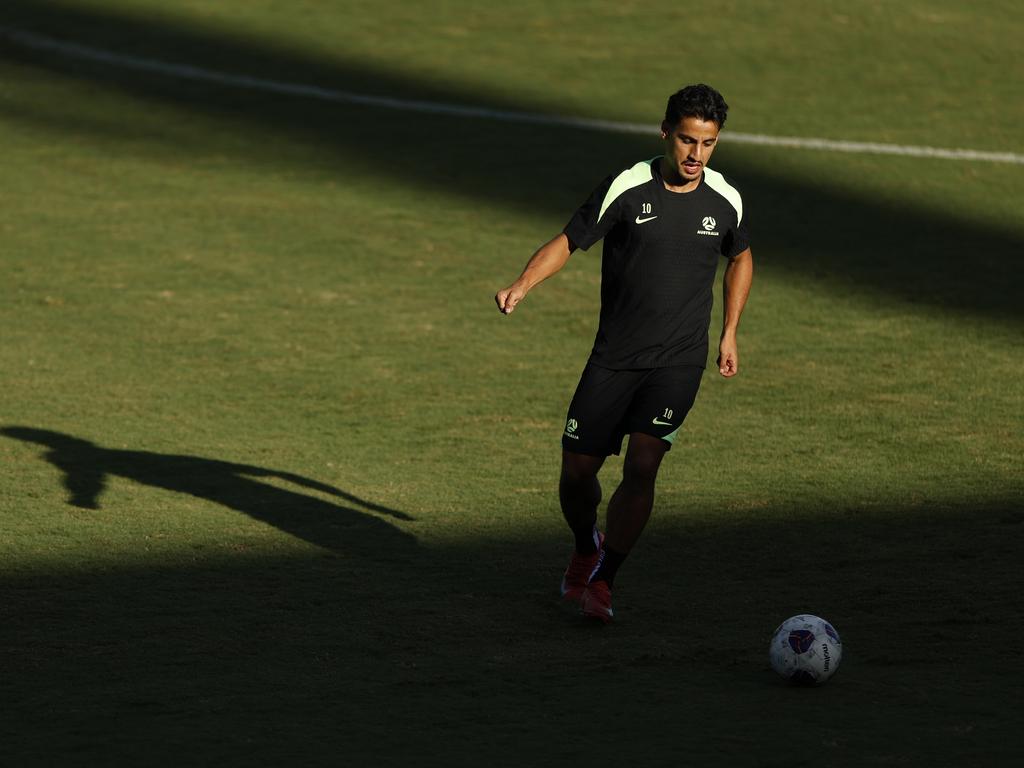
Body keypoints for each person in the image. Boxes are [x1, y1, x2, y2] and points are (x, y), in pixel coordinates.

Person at [495, 84, 754, 623]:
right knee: (576, 475)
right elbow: (568, 240)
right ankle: (586, 544)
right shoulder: (628, 188)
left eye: (707, 144)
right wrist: (523, 284)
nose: (695, 155)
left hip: (679, 361)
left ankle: (604, 580)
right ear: (665, 133)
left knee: (643, 465)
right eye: (686, 141)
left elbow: (742, 256)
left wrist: (730, 330)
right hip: (614, 358)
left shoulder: (725, 198)